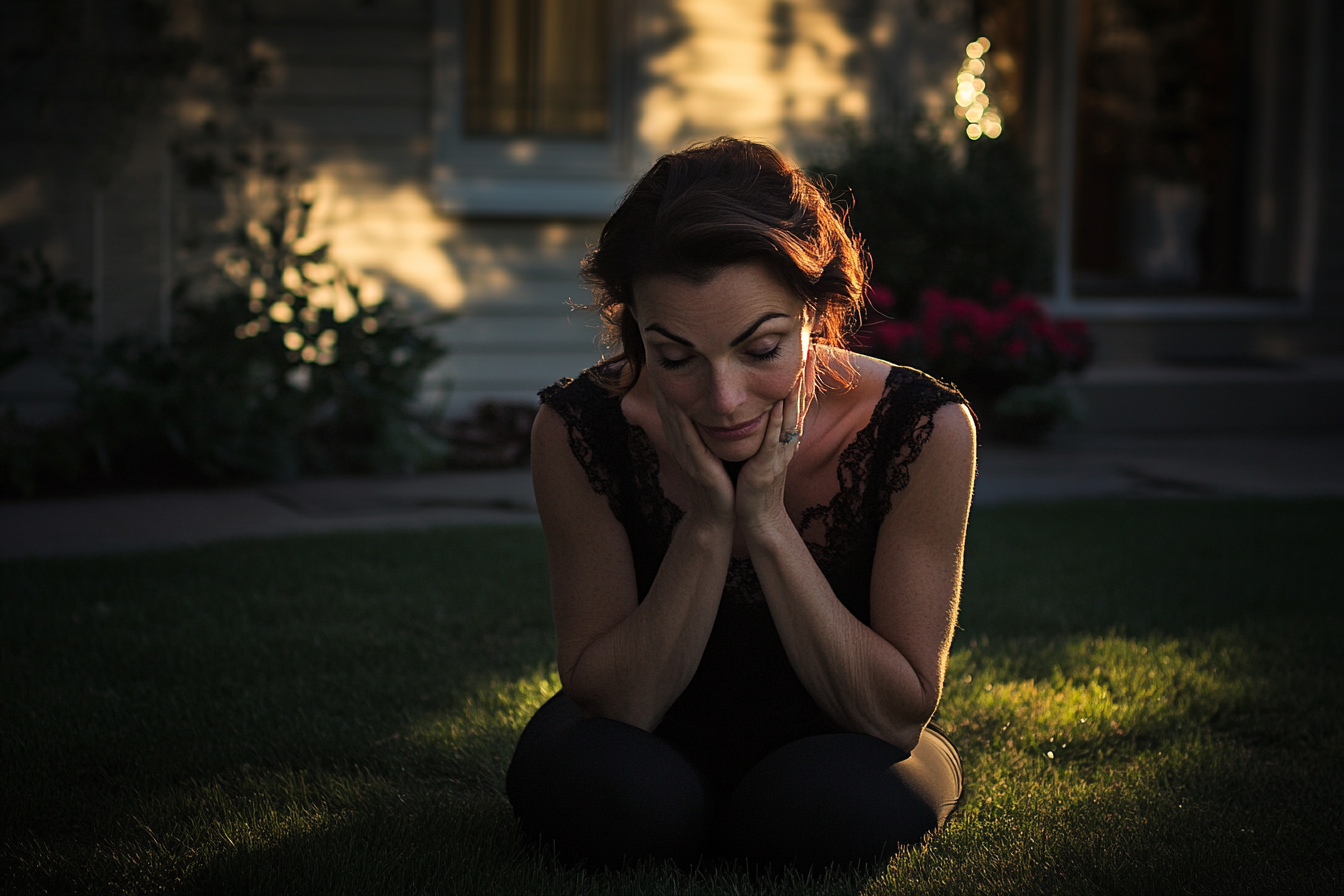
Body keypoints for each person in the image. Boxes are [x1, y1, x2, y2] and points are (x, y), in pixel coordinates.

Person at [506, 137, 976, 868]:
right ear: (635, 332)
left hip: (843, 741)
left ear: (814, 316)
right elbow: (615, 706)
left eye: (760, 350)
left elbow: (893, 716)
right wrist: (708, 522)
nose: (723, 400)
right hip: (643, 735)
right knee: (616, 800)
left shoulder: (922, 429)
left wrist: (765, 523)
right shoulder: (578, 428)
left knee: (827, 813)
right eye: (675, 356)